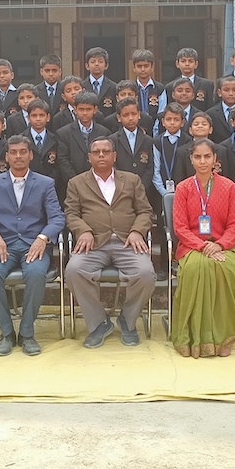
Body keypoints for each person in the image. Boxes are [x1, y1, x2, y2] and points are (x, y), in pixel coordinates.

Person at [0, 135, 66, 357]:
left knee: (36, 274)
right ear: (6, 157)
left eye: (23, 152)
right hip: (2, 245)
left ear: (31, 155)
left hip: (34, 244)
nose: (18, 156)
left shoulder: (45, 183)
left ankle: (26, 333)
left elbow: (57, 218)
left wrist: (43, 238)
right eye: (13, 152)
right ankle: (6, 333)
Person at [169, 139, 235, 358]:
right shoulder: (183, 188)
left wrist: (219, 244)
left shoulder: (228, 187)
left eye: (207, 156)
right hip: (191, 247)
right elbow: (180, 228)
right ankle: (194, 337)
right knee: (197, 269)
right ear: (191, 159)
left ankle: (225, 336)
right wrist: (203, 246)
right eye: (198, 157)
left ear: (215, 159)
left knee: (227, 269)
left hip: (222, 246)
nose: (203, 161)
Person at [64, 137, 156, 348]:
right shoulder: (76, 183)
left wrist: (137, 231)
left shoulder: (131, 180)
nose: (101, 155)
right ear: (89, 157)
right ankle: (99, 323)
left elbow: (145, 211)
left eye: (106, 151)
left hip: (127, 242)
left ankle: (128, 320)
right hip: (93, 243)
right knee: (74, 271)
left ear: (114, 156)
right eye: (96, 152)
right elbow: (71, 213)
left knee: (146, 274)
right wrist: (83, 230)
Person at [57, 91, 110, 184]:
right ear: (75, 110)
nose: (85, 113)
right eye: (81, 109)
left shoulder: (104, 133)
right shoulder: (63, 133)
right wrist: (76, 183)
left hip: (99, 182)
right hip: (73, 183)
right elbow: (63, 161)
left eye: (88, 109)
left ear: (95, 110)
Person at [109, 98, 155, 203]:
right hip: (120, 191)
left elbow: (150, 166)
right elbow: (112, 165)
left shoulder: (148, 140)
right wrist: (124, 186)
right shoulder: (112, 140)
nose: (130, 118)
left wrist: (141, 187)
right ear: (119, 117)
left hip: (144, 191)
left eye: (134, 114)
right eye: (126, 115)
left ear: (139, 115)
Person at [152, 102, 192, 199]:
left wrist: (182, 191)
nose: (172, 123)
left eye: (176, 119)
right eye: (168, 119)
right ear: (163, 122)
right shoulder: (157, 142)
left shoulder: (188, 141)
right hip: (162, 191)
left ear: (182, 122)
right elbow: (156, 170)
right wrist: (164, 192)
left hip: (184, 191)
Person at [205, 76, 235, 144]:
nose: (230, 93)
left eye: (234, 90)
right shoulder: (210, 113)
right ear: (219, 92)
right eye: (226, 90)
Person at [131, 49, 168, 117]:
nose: (143, 69)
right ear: (134, 68)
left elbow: (162, 111)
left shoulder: (160, 88)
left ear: (152, 68)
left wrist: (156, 124)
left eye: (146, 66)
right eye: (139, 66)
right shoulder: (131, 88)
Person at [83, 46, 117, 115]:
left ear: (106, 65)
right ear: (87, 66)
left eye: (100, 61)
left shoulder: (114, 87)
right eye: (93, 62)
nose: (96, 64)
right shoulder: (82, 86)